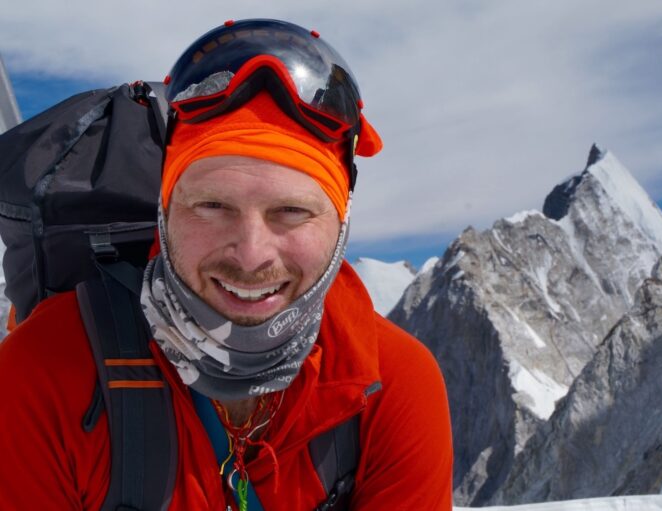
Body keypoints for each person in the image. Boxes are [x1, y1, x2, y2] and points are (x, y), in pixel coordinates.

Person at [0, 19, 453, 510]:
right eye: (212, 206)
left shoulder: (391, 386)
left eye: (292, 211)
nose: (251, 254)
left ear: (340, 222)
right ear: (166, 208)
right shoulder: (42, 376)